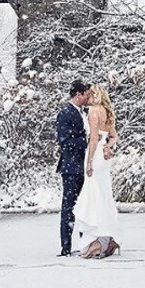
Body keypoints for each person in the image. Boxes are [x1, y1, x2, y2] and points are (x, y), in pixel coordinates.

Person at [73, 84, 121, 258]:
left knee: (93, 196)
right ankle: (109, 238)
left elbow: (93, 138)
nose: (89, 97)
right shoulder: (107, 112)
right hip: (104, 155)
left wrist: (90, 161)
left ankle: (94, 242)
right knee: (103, 194)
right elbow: (114, 136)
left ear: (97, 95)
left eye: (91, 94)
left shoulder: (94, 110)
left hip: (96, 155)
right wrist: (108, 146)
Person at [56, 78, 91, 256]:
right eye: (86, 94)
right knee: (69, 207)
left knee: (84, 207)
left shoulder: (83, 112)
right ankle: (66, 246)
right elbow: (64, 140)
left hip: (82, 166)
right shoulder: (65, 113)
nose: (88, 97)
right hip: (71, 168)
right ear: (78, 94)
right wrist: (85, 141)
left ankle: (84, 243)